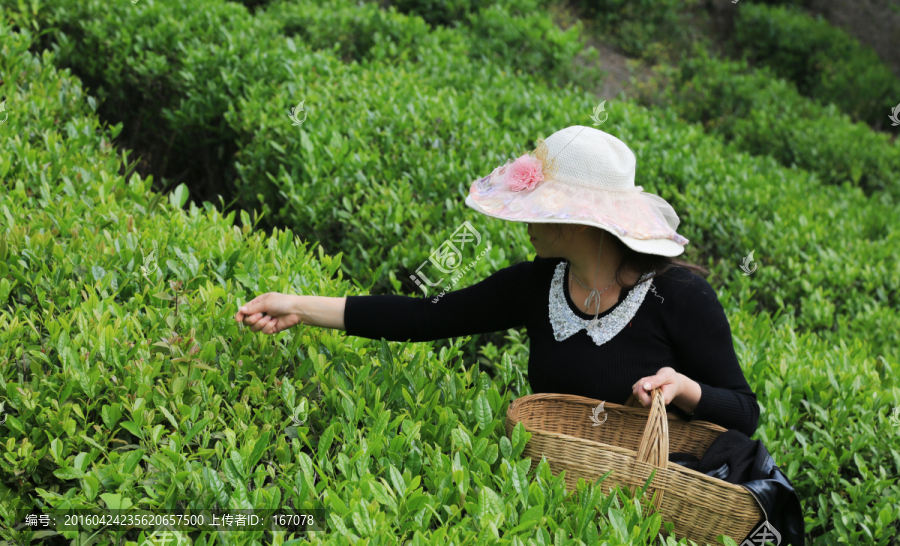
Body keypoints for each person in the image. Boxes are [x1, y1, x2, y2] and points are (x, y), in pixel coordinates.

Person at [234, 125, 760, 436]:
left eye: (541, 208)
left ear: (580, 220)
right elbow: (425, 317)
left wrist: (684, 390)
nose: (526, 220)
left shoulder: (681, 297)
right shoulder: (537, 284)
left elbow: (744, 412)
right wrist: (297, 307)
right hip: (555, 497)